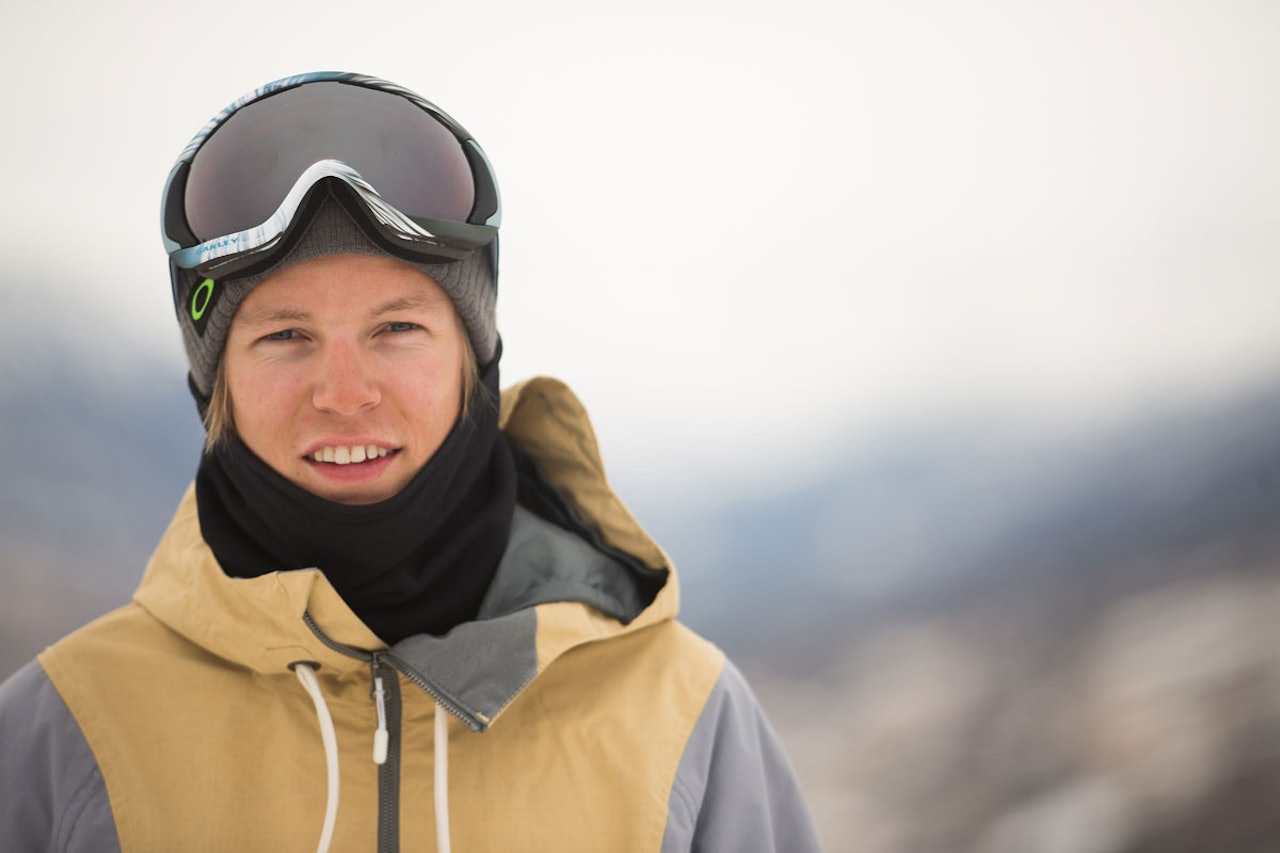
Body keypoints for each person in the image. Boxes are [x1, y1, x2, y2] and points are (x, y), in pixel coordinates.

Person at [0, 72, 821, 852]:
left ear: (474, 360)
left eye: (397, 328)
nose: (345, 393)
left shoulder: (685, 721)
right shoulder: (66, 732)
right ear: (217, 386)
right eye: (285, 335)